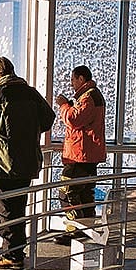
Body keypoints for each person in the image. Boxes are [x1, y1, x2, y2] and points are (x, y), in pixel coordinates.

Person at [0, 57, 55, 269]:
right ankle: (16, 251)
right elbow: (48, 118)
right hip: (26, 162)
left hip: (2, 164)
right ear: (13, 70)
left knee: (6, 210)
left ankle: (12, 255)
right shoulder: (31, 93)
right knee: (19, 206)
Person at [53, 65, 107, 245]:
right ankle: (87, 229)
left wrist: (63, 105)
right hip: (88, 154)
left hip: (80, 154)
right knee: (85, 193)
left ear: (81, 79)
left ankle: (75, 230)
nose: (71, 84)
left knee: (67, 192)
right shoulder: (93, 95)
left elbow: (73, 119)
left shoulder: (88, 97)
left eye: (73, 80)